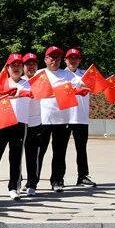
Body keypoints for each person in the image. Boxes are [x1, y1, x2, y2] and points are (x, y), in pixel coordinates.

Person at [0, 54, 31, 200]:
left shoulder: (28, 84)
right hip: (2, 121)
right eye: (13, 65)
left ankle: (13, 187)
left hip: (20, 123)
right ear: (8, 68)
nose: (16, 68)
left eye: (19, 65)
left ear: (22, 68)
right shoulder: (1, 82)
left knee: (16, 157)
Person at [37, 46, 75, 192]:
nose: (54, 60)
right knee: (39, 152)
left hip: (62, 120)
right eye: (52, 57)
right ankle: (33, 182)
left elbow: (85, 83)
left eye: (57, 58)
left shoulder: (67, 75)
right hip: (43, 120)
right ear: (46, 59)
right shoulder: (39, 74)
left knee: (59, 153)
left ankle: (57, 180)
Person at [64, 48, 96, 187]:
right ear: (65, 60)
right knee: (60, 150)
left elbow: (101, 85)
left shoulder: (86, 75)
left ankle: (82, 176)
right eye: (70, 58)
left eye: (76, 58)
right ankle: (58, 178)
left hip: (80, 117)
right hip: (64, 117)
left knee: (81, 149)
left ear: (80, 60)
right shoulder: (60, 75)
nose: (73, 60)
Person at [21, 53, 43, 195]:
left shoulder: (42, 81)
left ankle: (32, 184)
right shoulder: (18, 81)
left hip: (35, 123)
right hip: (19, 123)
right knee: (16, 156)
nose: (31, 67)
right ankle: (16, 183)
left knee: (33, 155)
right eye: (28, 64)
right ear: (23, 66)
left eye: (33, 64)